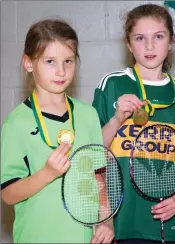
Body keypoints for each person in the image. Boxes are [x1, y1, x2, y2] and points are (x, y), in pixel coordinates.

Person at [92, 4, 175, 243]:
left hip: (171, 224)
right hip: (120, 224)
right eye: (140, 38)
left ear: (170, 42)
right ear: (128, 44)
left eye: (158, 37)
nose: (149, 46)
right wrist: (117, 118)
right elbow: (91, 152)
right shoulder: (112, 85)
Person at [0, 19, 113, 243]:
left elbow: (98, 177)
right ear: (29, 63)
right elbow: (8, 194)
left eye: (68, 61)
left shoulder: (88, 115)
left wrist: (105, 221)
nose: (61, 71)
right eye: (50, 61)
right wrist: (47, 174)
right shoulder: (16, 123)